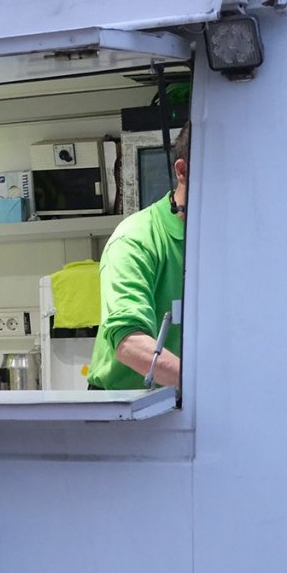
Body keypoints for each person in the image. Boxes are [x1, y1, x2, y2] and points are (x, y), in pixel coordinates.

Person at [88, 121, 190, 390]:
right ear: (182, 171)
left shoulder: (228, 242)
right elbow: (130, 343)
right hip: (126, 405)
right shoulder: (136, 239)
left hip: (189, 399)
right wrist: (205, 387)